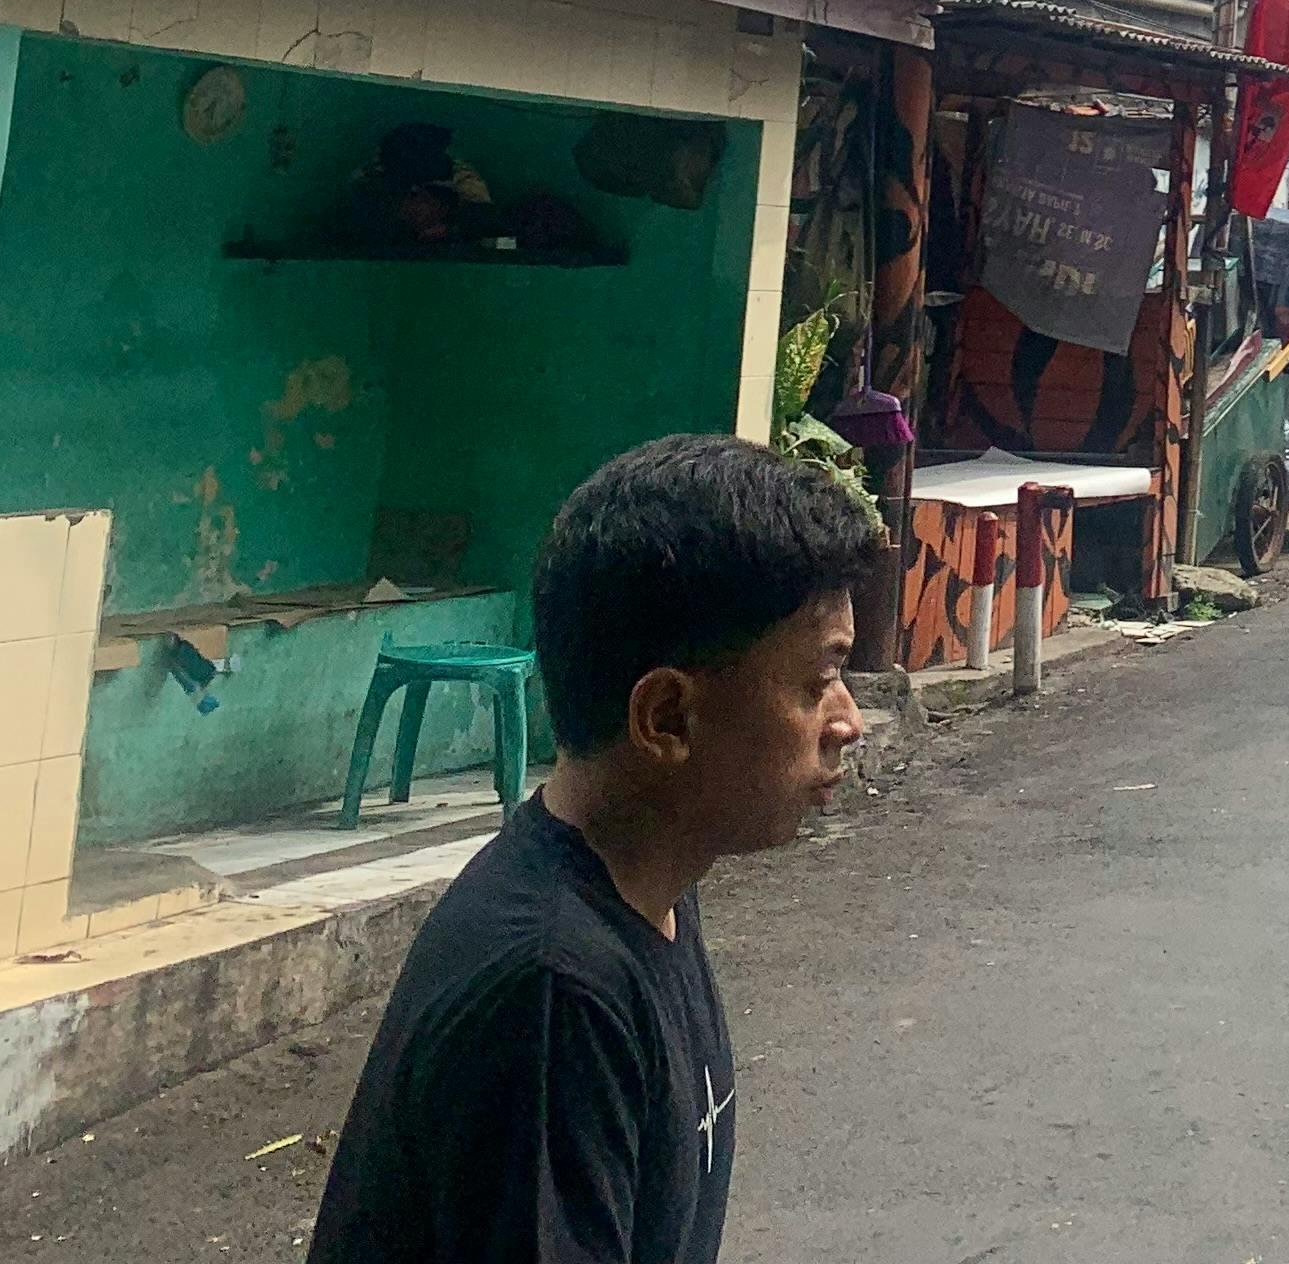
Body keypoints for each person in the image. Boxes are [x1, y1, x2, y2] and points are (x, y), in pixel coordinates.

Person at [308, 435, 878, 1264]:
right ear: (667, 719)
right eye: (818, 682)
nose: (849, 721)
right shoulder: (555, 993)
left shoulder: (650, 886)